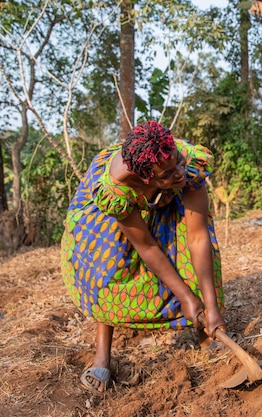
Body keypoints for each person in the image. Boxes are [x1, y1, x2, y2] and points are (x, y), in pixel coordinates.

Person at [61, 120, 227, 392]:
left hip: (163, 197)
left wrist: (212, 307)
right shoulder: (116, 187)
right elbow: (147, 247)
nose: (180, 173)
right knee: (111, 266)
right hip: (118, 208)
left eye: (179, 162)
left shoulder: (187, 164)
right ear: (146, 177)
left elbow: (197, 237)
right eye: (168, 174)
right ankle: (102, 354)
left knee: (186, 251)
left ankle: (206, 327)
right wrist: (185, 297)